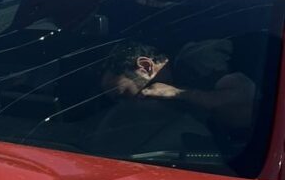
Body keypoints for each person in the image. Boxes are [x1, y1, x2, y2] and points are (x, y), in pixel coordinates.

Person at [100, 40, 256, 130]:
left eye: (124, 94)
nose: (126, 104)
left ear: (146, 67)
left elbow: (247, 94)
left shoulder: (197, 58)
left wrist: (179, 93)